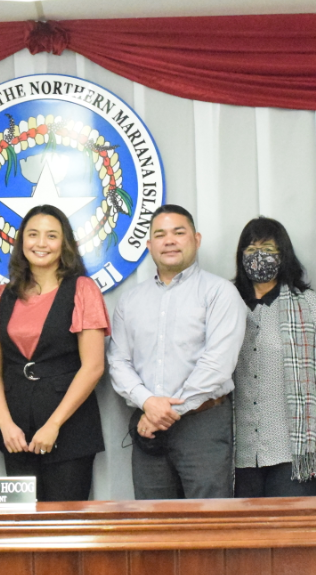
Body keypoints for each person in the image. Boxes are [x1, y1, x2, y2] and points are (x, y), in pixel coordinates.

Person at [108, 204, 247, 500]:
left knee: (209, 523)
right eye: (160, 234)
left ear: (196, 239)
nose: (169, 240)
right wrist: (148, 403)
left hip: (202, 425)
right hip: (147, 426)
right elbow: (118, 361)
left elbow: (218, 363)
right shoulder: (130, 300)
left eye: (178, 232)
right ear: (148, 245)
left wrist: (165, 412)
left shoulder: (220, 292)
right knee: (153, 523)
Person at [0, 205, 109, 501]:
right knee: (23, 526)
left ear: (64, 243)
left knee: (66, 526)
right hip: (16, 432)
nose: (41, 243)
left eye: (51, 236)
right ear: (21, 241)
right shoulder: (3, 295)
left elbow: (93, 367)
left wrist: (53, 425)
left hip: (69, 428)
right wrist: (5, 425)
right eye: (33, 235)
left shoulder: (82, 289)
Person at [230, 217, 316, 498]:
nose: (259, 256)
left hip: (294, 449)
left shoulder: (308, 303)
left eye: (268, 248)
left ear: (283, 255)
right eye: (251, 249)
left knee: (295, 536)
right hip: (239, 451)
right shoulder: (227, 303)